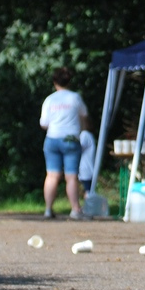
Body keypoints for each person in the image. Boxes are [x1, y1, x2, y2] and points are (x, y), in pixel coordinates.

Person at [39, 67, 88, 219]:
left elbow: (43, 123)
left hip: (52, 139)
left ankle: (48, 209)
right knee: (71, 176)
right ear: (69, 81)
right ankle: (75, 210)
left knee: (52, 175)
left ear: (55, 82)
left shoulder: (50, 100)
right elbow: (84, 116)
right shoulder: (75, 98)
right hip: (71, 139)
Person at [78, 128, 97, 196]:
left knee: (88, 191)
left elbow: (78, 147)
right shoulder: (87, 134)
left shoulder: (84, 134)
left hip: (85, 168)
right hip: (87, 167)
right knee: (88, 190)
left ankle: (89, 201)